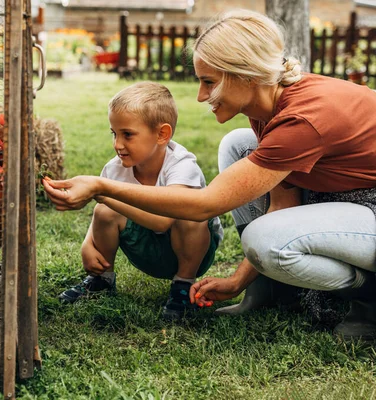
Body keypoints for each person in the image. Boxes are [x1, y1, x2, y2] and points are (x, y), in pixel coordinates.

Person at [43, 9, 376, 339]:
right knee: (237, 146)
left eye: (209, 82)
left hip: (369, 201)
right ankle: (269, 289)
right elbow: (282, 202)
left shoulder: (302, 120)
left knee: (264, 241)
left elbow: (205, 204)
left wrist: (101, 187)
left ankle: (367, 294)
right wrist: (239, 281)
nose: (202, 96)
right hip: (348, 192)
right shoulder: (268, 106)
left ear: (245, 74)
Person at [57, 81, 223, 320]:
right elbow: (103, 207)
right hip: (144, 249)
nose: (117, 144)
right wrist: (88, 244)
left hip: (193, 251)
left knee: (188, 214)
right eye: (114, 134)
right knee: (105, 211)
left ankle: (183, 288)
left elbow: (161, 222)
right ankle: (102, 280)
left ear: (162, 134)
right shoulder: (114, 169)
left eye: (127, 134)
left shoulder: (182, 165)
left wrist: (100, 192)